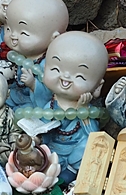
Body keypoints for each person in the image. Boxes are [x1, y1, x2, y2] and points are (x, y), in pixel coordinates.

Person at [39, 31, 108, 183]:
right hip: (53, 148)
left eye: (80, 76)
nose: (65, 78)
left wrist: (83, 110)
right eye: (56, 69)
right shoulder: (50, 106)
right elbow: (44, 129)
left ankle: (69, 175)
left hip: (75, 152)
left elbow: (93, 135)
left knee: (88, 146)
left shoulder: (89, 110)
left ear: (98, 87)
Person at [2, 0, 68, 109]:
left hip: (33, 103)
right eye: (9, 29)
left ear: (54, 38)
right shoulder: (18, 55)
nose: (13, 36)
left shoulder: (49, 64)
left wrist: (33, 84)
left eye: (23, 33)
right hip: (15, 95)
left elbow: (51, 91)